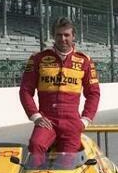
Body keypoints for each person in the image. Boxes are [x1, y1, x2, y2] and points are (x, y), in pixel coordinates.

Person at [19, 17, 100, 156]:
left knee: (67, 161)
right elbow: (25, 91)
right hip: (47, 120)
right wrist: (36, 117)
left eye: (66, 35)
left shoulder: (84, 61)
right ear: (53, 36)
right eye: (59, 35)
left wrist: (85, 120)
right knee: (36, 145)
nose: (62, 39)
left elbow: (93, 93)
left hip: (71, 122)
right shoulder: (38, 59)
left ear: (73, 36)